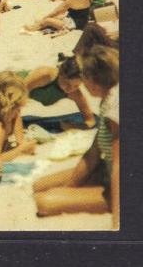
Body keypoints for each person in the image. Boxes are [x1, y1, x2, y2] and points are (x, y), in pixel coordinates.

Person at [34, 45, 119, 229]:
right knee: (38, 186)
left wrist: (117, 224)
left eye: (84, 78)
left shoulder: (115, 108)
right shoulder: (107, 100)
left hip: (121, 185)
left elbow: (119, 165)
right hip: (105, 171)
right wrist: (71, 186)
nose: (82, 85)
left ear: (94, 80)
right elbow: (94, 152)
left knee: (44, 202)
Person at [25, 0, 94, 32]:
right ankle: (39, 23)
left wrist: (44, 18)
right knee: (57, 17)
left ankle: (33, 28)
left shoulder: (70, 1)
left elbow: (56, 12)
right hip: (84, 21)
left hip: (72, 25)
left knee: (47, 20)